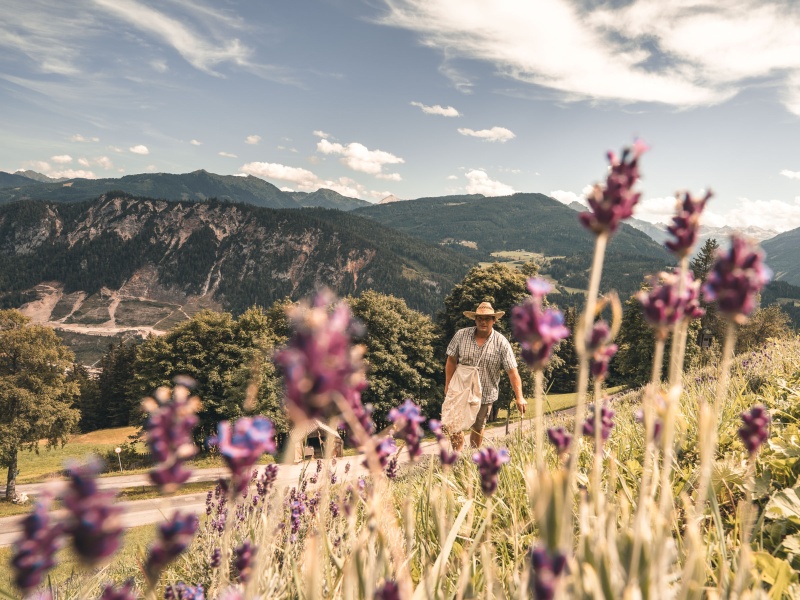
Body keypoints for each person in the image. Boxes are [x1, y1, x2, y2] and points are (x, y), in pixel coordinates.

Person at [445, 301, 527, 450]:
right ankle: (458, 456)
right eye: (480, 318)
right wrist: (448, 385)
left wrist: (519, 397)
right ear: (475, 319)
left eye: (487, 318)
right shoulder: (461, 335)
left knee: (478, 427)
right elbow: (451, 360)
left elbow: (512, 371)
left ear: (494, 320)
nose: (483, 322)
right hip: (460, 389)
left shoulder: (501, 343)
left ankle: (473, 455)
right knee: (454, 424)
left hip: (485, 393)